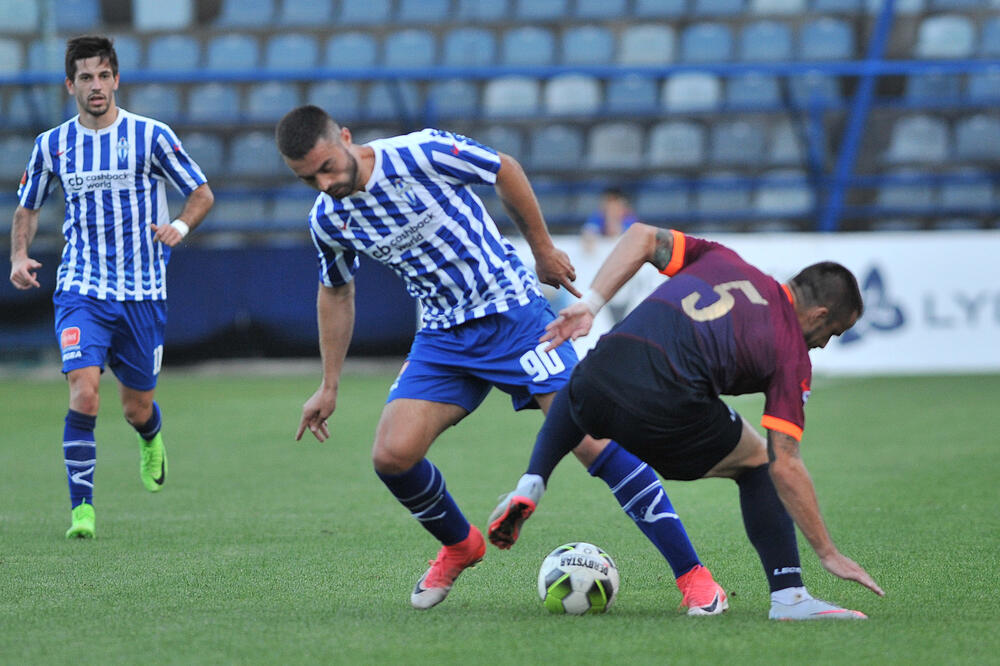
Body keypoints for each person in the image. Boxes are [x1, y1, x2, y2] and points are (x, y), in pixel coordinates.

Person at [274, 106, 726, 612]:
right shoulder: (328, 219)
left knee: (593, 443)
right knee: (392, 455)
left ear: (345, 138)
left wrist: (542, 249)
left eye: (327, 166)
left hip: (514, 316)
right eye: (307, 178)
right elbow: (335, 291)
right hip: (443, 337)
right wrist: (329, 383)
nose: (323, 182)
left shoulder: (420, 152)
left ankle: (694, 577)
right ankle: (460, 544)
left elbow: (503, 167)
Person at [488, 223, 886, 620]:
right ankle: (790, 597)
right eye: (833, 332)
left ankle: (532, 481)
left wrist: (591, 304)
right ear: (818, 315)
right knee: (758, 464)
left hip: (605, 370)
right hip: (667, 402)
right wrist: (828, 553)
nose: (824, 343)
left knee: (580, 386)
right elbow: (786, 464)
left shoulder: (722, 259)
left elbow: (642, 236)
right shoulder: (792, 352)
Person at [9, 35, 214, 539]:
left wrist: (181, 228)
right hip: (81, 288)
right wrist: (18, 254)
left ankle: (150, 434)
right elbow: (28, 207)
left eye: (103, 76)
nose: (96, 86)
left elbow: (202, 192)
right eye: (85, 77)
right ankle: (83, 511)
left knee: (134, 406)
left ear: (116, 79)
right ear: (70, 85)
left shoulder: (152, 136)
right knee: (84, 392)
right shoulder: (52, 144)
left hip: (143, 293)